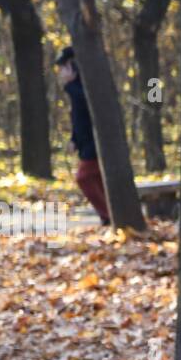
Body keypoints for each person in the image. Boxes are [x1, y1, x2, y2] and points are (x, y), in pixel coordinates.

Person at [56, 47, 110, 226]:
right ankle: (108, 214)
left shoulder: (80, 89)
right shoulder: (74, 90)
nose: (61, 73)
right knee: (96, 179)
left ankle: (108, 214)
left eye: (63, 68)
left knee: (83, 177)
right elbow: (79, 119)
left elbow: (86, 108)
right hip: (86, 143)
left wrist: (70, 85)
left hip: (94, 144)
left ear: (73, 67)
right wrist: (74, 140)